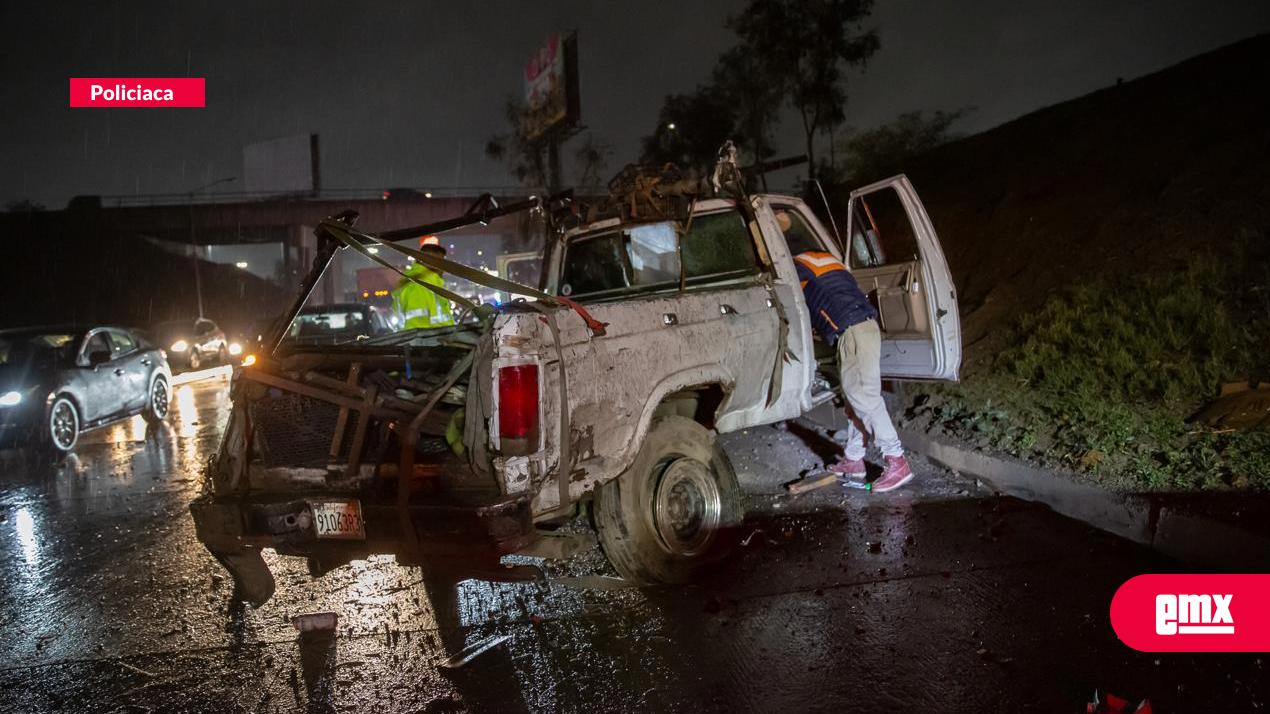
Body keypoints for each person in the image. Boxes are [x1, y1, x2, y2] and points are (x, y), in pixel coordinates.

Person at [781, 212, 914, 492]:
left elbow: (785, 293)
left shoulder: (795, 267)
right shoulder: (828, 260)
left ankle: (897, 461)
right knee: (857, 399)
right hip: (865, 328)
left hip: (852, 332)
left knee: (864, 398)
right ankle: (854, 460)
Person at [391, 236, 455, 330]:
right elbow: (418, 330)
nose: (443, 267)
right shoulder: (419, 286)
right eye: (440, 262)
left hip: (436, 341)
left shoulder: (425, 283)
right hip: (431, 343)